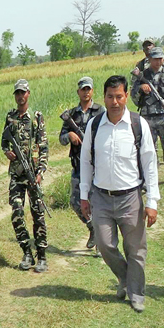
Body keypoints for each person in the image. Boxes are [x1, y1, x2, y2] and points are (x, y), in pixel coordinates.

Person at [80, 75, 160, 313]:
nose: (114, 102)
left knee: (136, 248)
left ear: (126, 97)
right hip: (101, 198)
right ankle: (125, 278)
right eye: (110, 97)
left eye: (119, 96)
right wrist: (85, 194)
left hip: (130, 198)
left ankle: (136, 293)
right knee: (105, 245)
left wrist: (152, 200)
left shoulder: (138, 124)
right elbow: (86, 161)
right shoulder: (94, 126)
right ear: (103, 97)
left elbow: (150, 163)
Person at [1, 79, 49, 272]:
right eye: (17, 94)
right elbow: (4, 141)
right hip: (16, 175)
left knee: (38, 213)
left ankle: (42, 255)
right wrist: (7, 152)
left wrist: (41, 171)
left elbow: (44, 147)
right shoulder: (10, 117)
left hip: (33, 174)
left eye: (23, 93)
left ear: (28, 94)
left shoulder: (36, 117)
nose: (20, 97)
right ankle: (26, 252)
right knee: (17, 213)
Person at [59, 76, 104, 249]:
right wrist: (69, 136)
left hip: (98, 165)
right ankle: (92, 228)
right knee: (75, 201)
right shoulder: (71, 115)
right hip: (78, 165)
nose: (86, 92)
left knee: (98, 202)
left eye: (88, 89)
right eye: (83, 89)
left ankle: (101, 241)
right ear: (78, 92)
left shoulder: (100, 112)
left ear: (92, 91)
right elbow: (61, 138)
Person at [131, 47, 164, 187]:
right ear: (150, 60)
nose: (158, 61)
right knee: (148, 150)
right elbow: (133, 96)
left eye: (160, 58)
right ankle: (149, 178)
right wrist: (141, 89)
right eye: (155, 59)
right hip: (147, 118)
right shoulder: (142, 75)